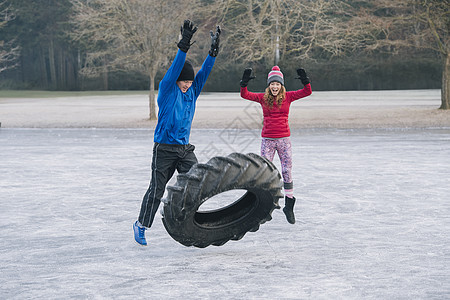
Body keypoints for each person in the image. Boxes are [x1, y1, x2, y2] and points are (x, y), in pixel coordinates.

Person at [133, 20, 221, 246]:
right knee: (156, 189)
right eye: (184, 81)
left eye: (190, 81)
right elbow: (174, 70)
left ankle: (192, 222)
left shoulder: (192, 92)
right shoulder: (167, 90)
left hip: (184, 149)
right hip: (164, 149)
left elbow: (205, 73)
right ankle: (141, 225)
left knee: (197, 182)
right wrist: (183, 46)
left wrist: (213, 52)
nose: (187, 85)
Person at [239, 65, 312, 224]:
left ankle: (289, 205)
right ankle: (263, 205)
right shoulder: (263, 98)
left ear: (281, 85)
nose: (274, 86)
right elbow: (244, 95)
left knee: (286, 170)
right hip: (268, 140)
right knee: (265, 172)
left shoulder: (289, 97)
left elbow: (307, 92)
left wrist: (305, 80)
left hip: (284, 139)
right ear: (269, 85)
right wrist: (244, 82)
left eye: (277, 84)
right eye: (272, 84)